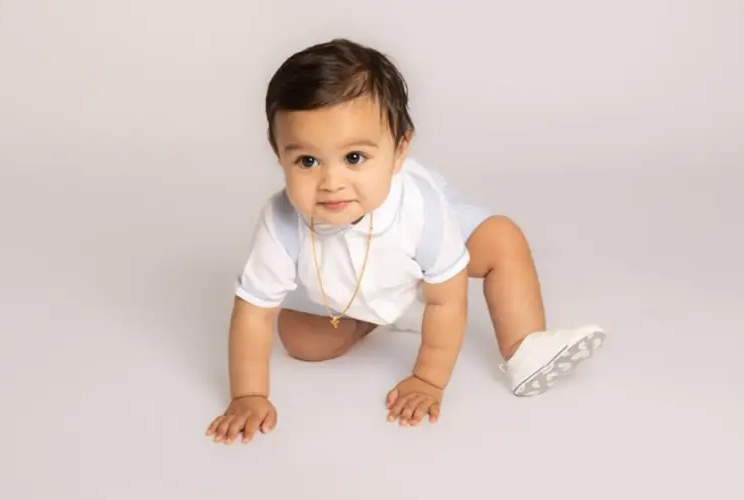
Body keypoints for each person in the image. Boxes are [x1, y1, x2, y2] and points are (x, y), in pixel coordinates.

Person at [206, 38, 606, 445]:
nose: (331, 182)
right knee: (302, 341)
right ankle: (379, 310)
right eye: (307, 161)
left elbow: (447, 299)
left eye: (354, 158)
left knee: (502, 240)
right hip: (360, 275)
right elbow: (253, 313)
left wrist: (428, 379)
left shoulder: (421, 209)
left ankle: (526, 346)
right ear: (279, 155)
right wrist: (248, 395)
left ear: (399, 151)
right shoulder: (280, 221)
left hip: (416, 249)